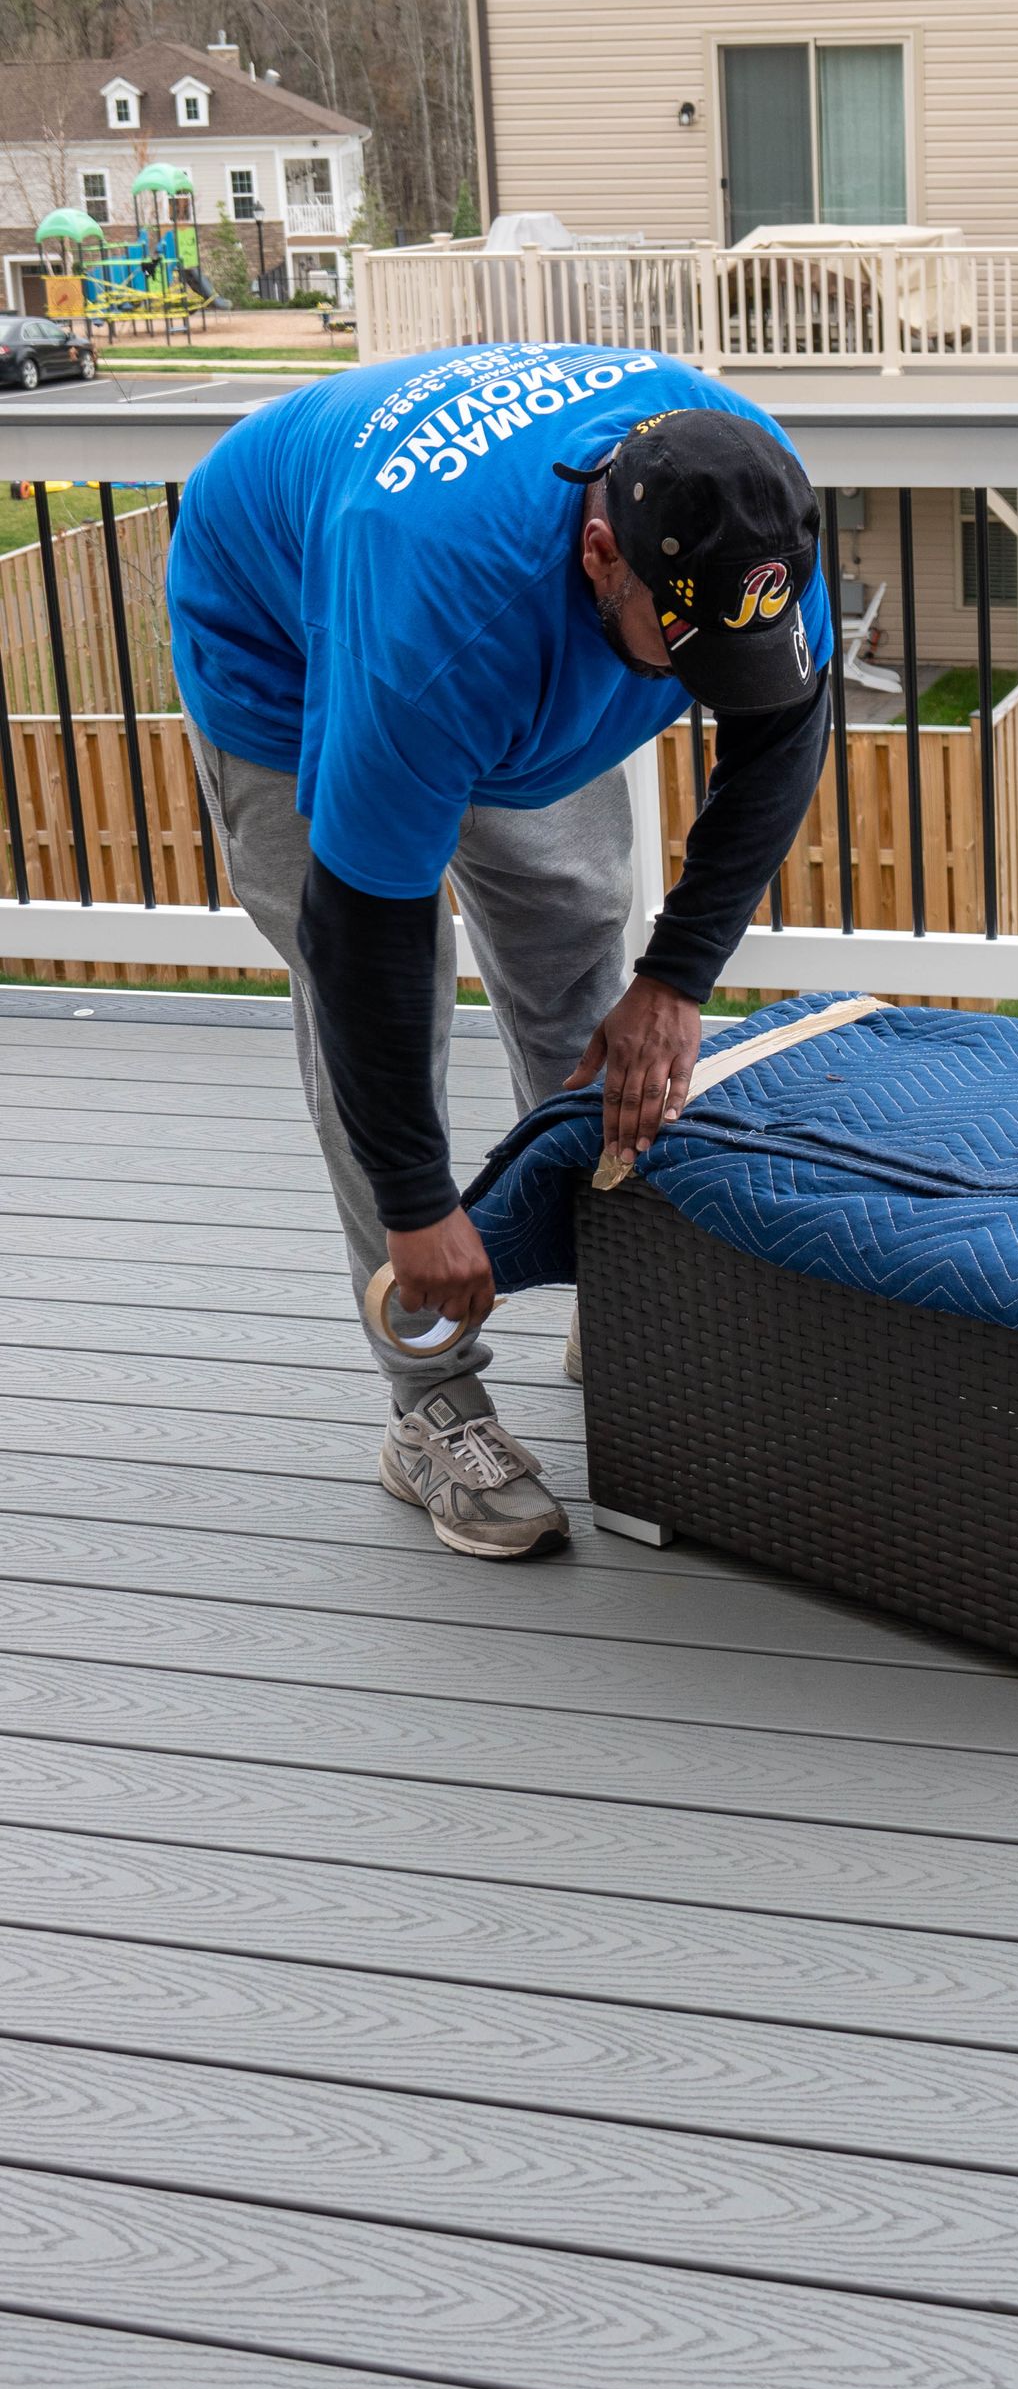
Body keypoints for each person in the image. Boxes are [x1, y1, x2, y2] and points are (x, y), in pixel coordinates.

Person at [166, 341, 833, 1561]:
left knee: (582, 960)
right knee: (389, 1014)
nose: (708, 685)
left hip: (505, 627)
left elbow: (783, 736)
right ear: (602, 554)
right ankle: (429, 1403)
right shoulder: (438, 621)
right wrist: (421, 1206)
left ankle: (609, 1292)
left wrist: (676, 978)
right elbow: (361, 939)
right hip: (287, 640)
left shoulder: (748, 507)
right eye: (686, 651)